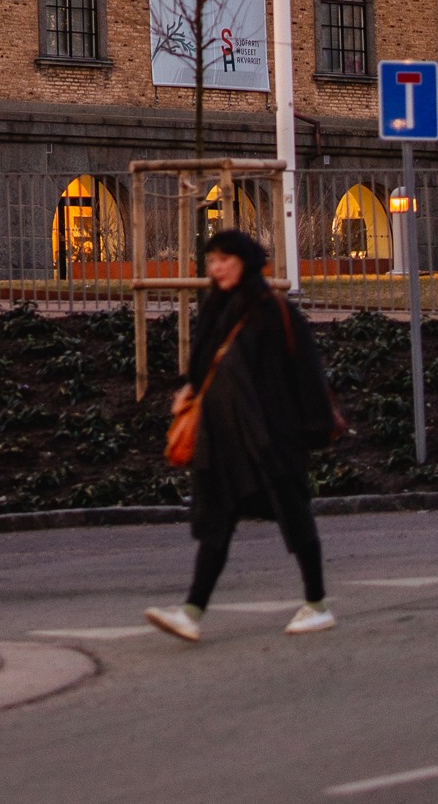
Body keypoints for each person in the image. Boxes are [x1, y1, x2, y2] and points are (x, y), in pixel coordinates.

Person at [146, 229, 339, 642]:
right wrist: (190, 386)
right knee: (216, 520)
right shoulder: (217, 308)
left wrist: (312, 428)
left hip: (271, 435)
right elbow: (202, 364)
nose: (217, 267)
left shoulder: (274, 311)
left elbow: (306, 371)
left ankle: (317, 604)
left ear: (246, 262)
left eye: (226, 259)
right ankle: (191, 612)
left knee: (294, 513)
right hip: (221, 437)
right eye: (213, 260)